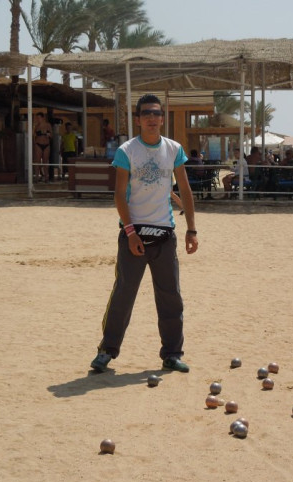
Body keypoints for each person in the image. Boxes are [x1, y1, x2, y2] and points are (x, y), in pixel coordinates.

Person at [90, 93, 198, 375]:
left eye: (157, 113)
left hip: (165, 236)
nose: (152, 118)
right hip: (133, 236)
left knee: (171, 297)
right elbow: (119, 195)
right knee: (123, 295)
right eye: (146, 113)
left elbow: (185, 190)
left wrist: (192, 229)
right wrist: (130, 232)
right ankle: (106, 351)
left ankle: (172, 355)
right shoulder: (127, 151)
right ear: (138, 120)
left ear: (162, 119)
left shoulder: (174, 149)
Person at [33, 112, 52, 182]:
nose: (38, 119)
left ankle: (46, 177)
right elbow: (34, 136)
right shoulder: (36, 126)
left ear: (43, 118)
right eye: (37, 118)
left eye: (39, 118)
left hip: (46, 144)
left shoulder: (48, 125)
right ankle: (37, 177)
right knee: (37, 161)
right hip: (38, 144)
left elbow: (52, 135)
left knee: (45, 161)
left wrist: (48, 135)